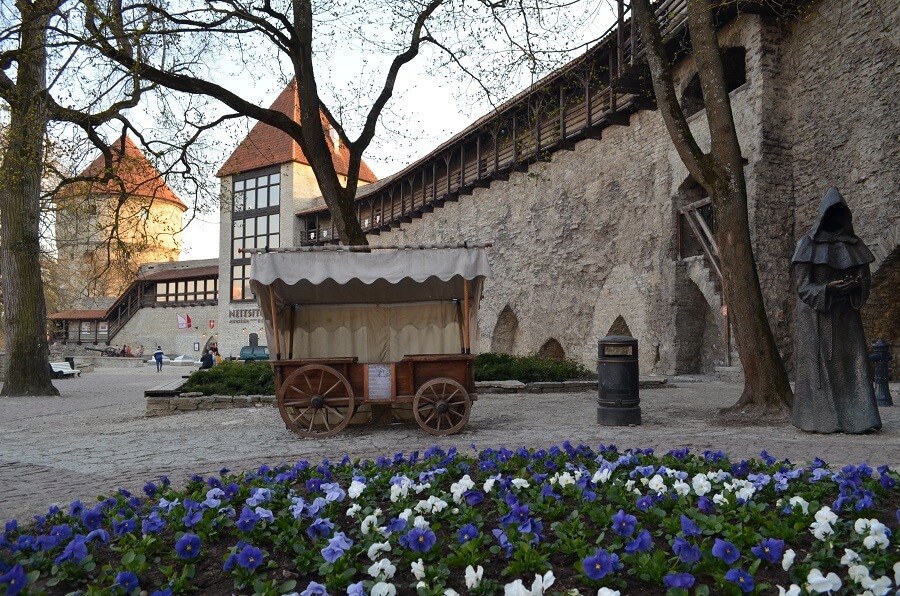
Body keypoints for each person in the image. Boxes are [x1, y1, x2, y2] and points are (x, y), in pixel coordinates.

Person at [791, 187, 881, 434]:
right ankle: (820, 419)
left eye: (839, 215)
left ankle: (860, 419)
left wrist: (855, 286)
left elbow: (865, 279)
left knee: (854, 365)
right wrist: (827, 289)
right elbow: (803, 287)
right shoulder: (807, 244)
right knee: (821, 369)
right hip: (817, 317)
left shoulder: (855, 245)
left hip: (846, 316)